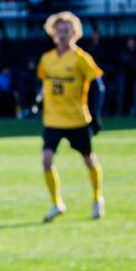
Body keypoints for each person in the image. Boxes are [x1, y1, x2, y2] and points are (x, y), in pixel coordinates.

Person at [36, 11, 106, 222]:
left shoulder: (81, 59)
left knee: (88, 159)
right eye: (59, 30)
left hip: (76, 118)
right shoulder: (47, 59)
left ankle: (96, 198)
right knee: (46, 160)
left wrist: (95, 114)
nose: (62, 34)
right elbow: (44, 84)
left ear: (74, 33)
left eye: (67, 30)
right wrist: (39, 98)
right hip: (53, 120)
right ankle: (56, 203)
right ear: (53, 32)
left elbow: (97, 86)